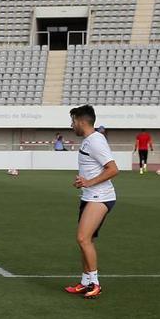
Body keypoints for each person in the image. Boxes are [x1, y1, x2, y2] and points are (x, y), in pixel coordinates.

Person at [64, 106, 118, 299]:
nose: (71, 126)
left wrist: (89, 182)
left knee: (83, 238)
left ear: (81, 121)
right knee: (86, 241)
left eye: (72, 122)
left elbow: (113, 169)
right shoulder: (89, 141)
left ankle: (95, 283)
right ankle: (85, 282)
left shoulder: (96, 141)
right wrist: (83, 182)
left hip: (100, 197)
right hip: (90, 196)